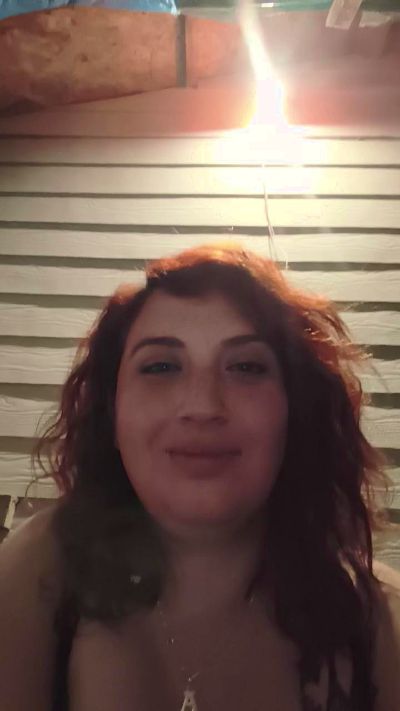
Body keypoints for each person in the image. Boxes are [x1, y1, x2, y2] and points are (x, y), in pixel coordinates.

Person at [0, 242, 399, 711]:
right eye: (161, 367)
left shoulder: (376, 623)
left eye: (246, 367)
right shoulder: (38, 573)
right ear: (113, 415)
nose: (203, 407)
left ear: (296, 412)